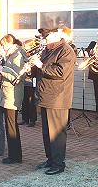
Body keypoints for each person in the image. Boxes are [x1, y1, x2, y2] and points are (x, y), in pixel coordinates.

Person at [31, 27, 76, 175]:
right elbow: (41, 71)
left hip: (58, 98)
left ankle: (58, 164)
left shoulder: (66, 50)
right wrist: (31, 67)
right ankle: (50, 159)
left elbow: (60, 72)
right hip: (46, 96)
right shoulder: (47, 50)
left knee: (56, 133)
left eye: (46, 37)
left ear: (55, 36)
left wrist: (41, 65)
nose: (43, 40)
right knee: (46, 132)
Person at [0, 34, 27, 164]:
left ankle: (15, 156)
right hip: (6, 93)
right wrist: (0, 76)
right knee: (9, 126)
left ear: (10, 43)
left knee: (12, 126)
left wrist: (2, 70)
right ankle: (13, 155)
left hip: (13, 95)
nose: (2, 48)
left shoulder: (18, 55)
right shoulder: (10, 55)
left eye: (3, 45)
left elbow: (17, 77)